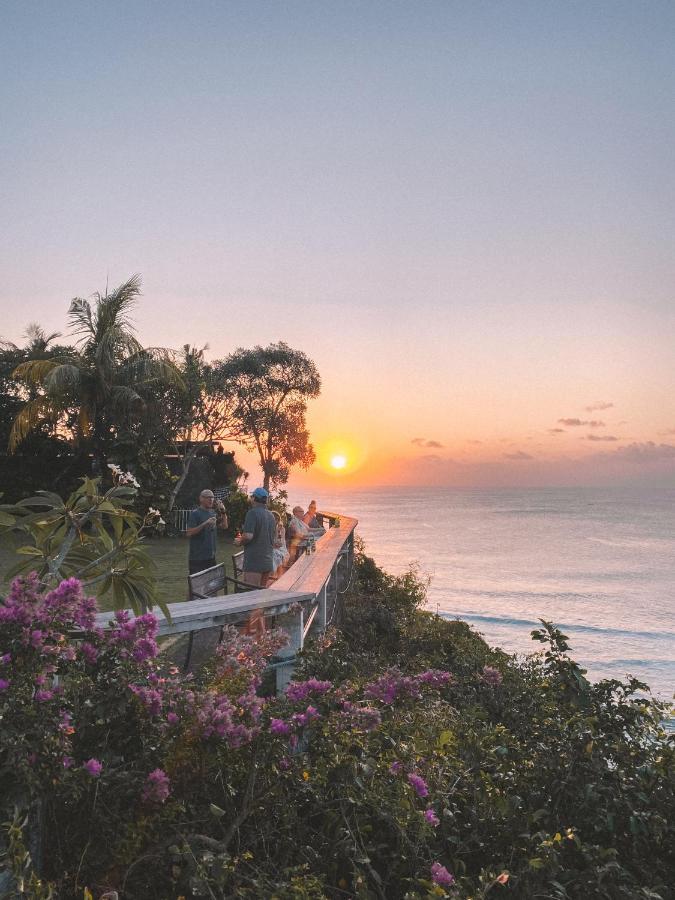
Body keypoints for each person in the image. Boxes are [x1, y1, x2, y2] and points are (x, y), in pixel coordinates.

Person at [234, 487, 277, 588]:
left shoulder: (252, 513)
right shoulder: (271, 515)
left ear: (254, 498)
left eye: (252, 496)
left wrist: (239, 542)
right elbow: (274, 538)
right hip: (267, 562)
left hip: (254, 562)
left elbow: (248, 536)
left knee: (251, 594)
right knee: (261, 595)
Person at [186, 489, 228, 575]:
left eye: (212, 497)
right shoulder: (195, 514)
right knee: (197, 587)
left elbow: (225, 526)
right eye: (208, 497)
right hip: (197, 558)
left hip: (211, 557)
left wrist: (223, 512)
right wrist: (205, 524)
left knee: (211, 586)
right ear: (201, 499)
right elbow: (189, 533)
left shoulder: (212, 513)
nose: (211, 500)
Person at [271, 510, 290, 577]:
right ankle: (275, 576)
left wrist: (278, 531)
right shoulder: (268, 528)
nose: (275, 521)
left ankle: (278, 576)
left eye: (277, 520)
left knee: (276, 554)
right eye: (274, 519)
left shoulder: (281, 529)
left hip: (280, 548)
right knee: (274, 554)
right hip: (272, 547)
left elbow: (280, 543)